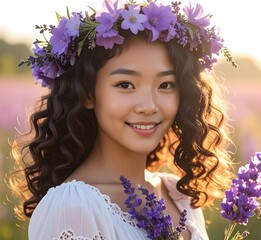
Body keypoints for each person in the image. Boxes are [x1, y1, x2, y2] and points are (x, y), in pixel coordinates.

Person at [10, 0, 236, 239]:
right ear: (88, 94)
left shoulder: (179, 197)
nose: (148, 106)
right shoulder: (73, 208)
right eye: (125, 85)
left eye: (166, 85)